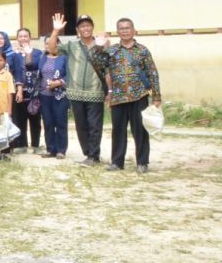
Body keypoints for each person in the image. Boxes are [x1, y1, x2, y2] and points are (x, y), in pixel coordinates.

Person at [91, 18, 161, 173]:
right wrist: (98, 47)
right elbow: (97, 65)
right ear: (118, 32)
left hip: (139, 96)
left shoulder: (142, 50)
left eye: (127, 28)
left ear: (133, 30)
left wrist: (156, 97)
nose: (125, 31)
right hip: (118, 97)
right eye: (121, 28)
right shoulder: (112, 50)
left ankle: (142, 162)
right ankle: (117, 162)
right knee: (118, 131)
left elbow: (152, 73)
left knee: (140, 131)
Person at [50, 14, 108, 166]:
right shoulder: (71, 45)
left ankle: (94, 155)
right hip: (75, 93)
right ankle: (88, 154)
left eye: (88, 25)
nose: (85, 28)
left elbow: (108, 68)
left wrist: (102, 47)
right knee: (81, 126)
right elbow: (52, 48)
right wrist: (56, 31)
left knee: (95, 126)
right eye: (82, 26)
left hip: (95, 92)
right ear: (77, 29)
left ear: (92, 27)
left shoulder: (102, 44)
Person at [10, 28, 44, 153]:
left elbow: (37, 67)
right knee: (20, 119)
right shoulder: (13, 54)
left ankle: (35, 145)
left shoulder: (38, 53)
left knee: (35, 119)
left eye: (25, 36)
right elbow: (12, 70)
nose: (23, 38)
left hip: (34, 91)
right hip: (19, 91)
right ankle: (21, 145)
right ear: (17, 38)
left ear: (30, 38)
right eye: (20, 36)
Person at [37, 35, 69, 158]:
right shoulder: (42, 57)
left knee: (60, 122)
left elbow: (69, 75)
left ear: (58, 44)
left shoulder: (64, 58)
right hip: (44, 96)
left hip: (60, 95)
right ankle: (51, 149)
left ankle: (61, 150)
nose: (50, 45)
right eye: (47, 43)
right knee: (48, 123)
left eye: (54, 43)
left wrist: (59, 82)